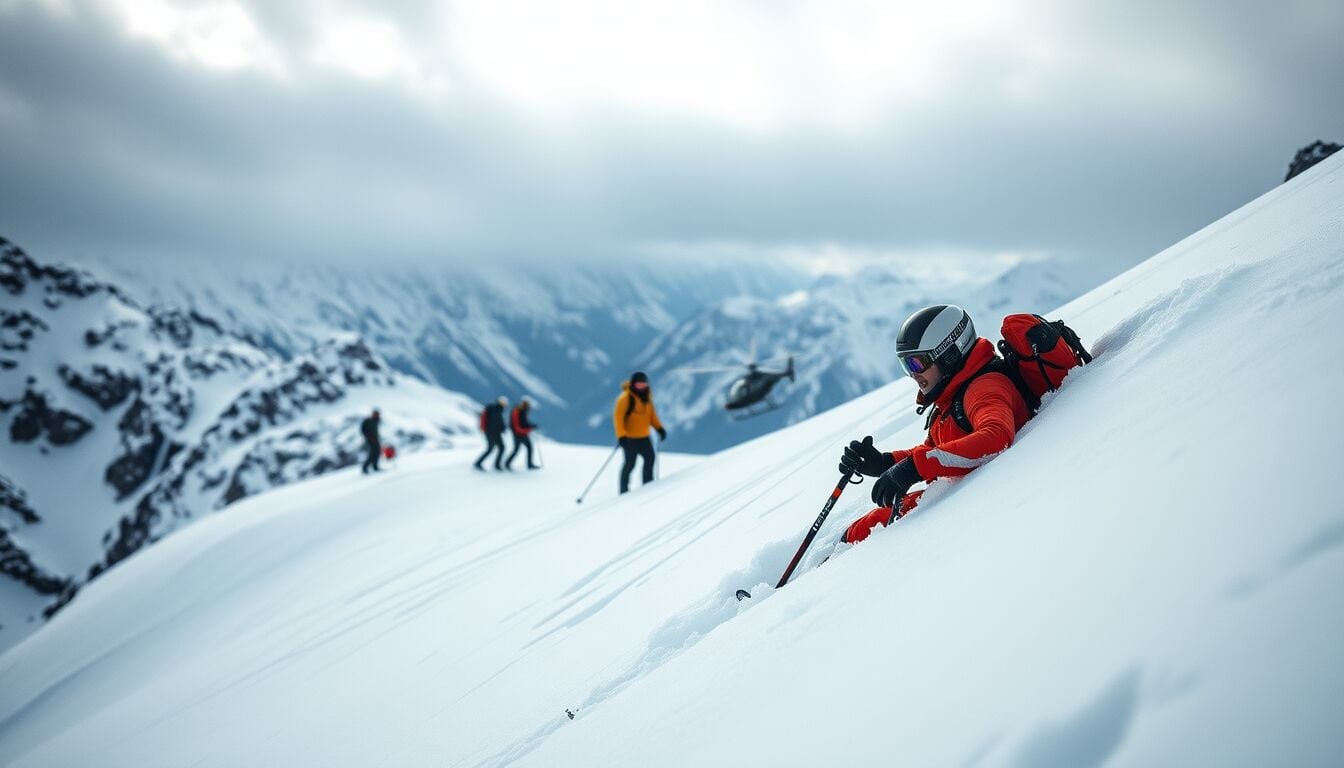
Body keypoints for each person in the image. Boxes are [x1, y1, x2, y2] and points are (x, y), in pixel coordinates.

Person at [837, 305, 1031, 543]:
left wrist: (915, 467)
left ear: (949, 355)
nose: (913, 375)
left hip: (983, 513)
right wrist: (885, 463)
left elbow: (996, 438)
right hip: (963, 492)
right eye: (906, 365)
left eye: (917, 364)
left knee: (873, 524)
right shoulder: (954, 393)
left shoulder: (984, 388)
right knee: (867, 524)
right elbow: (937, 450)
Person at [613, 371, 666, 493]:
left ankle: (648, 485)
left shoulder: (647, 398)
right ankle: (623, 490)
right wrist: (621, 436)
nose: (641, 387)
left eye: (644, 385)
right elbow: (618, 418)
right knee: (630, 464)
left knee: (650, 459)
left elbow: (652, 416)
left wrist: (659, 428)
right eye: (639, 385)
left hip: (644, 437)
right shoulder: (625, 399)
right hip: (629, 438)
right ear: (633, 384)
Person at [474, 396, 508, 471]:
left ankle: (496, 464)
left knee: (499, 448)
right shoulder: (496, 410)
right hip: (492, 433)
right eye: (504, 402)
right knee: (492, 449)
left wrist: (502, 428)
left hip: (493, 433)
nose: (505, 404)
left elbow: (498, 422)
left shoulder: (497, 409)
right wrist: (501, 429)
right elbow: (495, 423)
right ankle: (478, 463)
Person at [505, 397, 540, 470]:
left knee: (521, 449)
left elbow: (524, 423)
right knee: (524, 448)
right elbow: (518, 425)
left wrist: (531, 426)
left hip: (520, 433)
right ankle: (528, 465)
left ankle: (508, 463)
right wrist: (530, 428)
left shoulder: (521, 410)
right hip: (519, 434)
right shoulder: (518, 411)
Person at [360, 409, 382, 474]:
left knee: (377, 453)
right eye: (376, 414)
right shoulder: (368, 421)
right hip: (370, 440)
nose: (377, 415)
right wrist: (368, 437)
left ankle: (375, 467)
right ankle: (365, 468)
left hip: (375, 439)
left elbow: (375, 431)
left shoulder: (375, 421)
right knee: (372, 454)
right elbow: (363, 430)